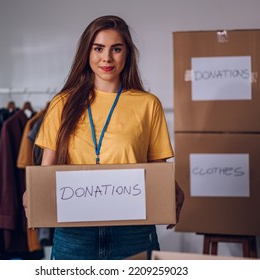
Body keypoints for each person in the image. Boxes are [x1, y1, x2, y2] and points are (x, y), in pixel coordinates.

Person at [23, 15, 184, 260]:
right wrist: (35, 195)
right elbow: (48, 168)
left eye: (116, 49)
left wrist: (170, 193)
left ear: (127, 54)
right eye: (98, 48)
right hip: (74, 232)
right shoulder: (62, 103)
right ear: (86, 52)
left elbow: (156, 172)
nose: (107, 58)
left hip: (133, 231)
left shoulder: (148, 104)